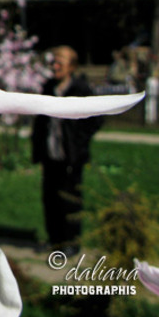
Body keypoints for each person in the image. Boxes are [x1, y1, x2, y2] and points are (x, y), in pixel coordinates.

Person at [31, 46, 103, 256]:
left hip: (71, 156)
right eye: (53, 62)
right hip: (51, 154)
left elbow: (95, 120)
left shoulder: (80, 89)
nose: (54, 66)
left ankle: (71, 241)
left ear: (71, 66)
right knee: (50, 199)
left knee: (70, 200)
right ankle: (55, 240)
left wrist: (78, 140)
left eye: (59, 63)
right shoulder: (48, 87)